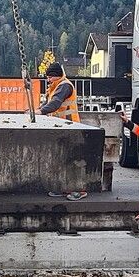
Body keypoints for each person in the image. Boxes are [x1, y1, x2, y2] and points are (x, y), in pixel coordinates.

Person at [39, 62, 86, 201]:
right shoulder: (55, 87)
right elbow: (48, 103)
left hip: (70, 126)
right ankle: (64, 188)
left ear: (56, 76)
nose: (48, 80)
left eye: (50, 77)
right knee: (61, 158)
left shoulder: (64, 86)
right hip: (61, 127)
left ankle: (80, 190)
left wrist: (40, 112)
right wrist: (37, 109)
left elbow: (55, 103)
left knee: (72, 160)